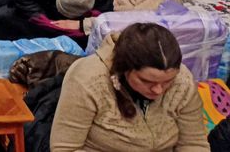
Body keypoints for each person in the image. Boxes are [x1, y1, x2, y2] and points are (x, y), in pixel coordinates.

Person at [51, 23, 208, 151]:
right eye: (147, 81)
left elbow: (193, 143)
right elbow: (65, 148)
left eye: (168, 81)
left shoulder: (182, 80)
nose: (158, 90)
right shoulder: (88, 79)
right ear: (124, 68)